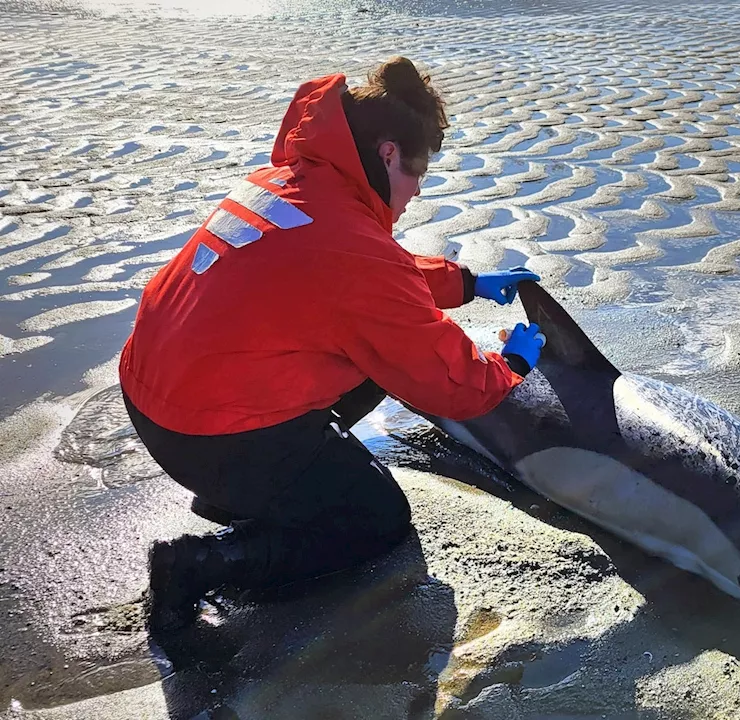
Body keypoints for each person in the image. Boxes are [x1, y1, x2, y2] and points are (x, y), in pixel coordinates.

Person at [118, 57, 546, 632]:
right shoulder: (350, 248)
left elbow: (360, 277)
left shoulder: (293, 184)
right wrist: (512, 363)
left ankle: (256, 494)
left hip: (155, 396)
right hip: (205, 432)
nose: (417, 190)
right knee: (378, 522)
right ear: (389, 153)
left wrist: (467, 282)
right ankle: (202, 564)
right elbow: (450, 382)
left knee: (372, 356)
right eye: (417, 173)